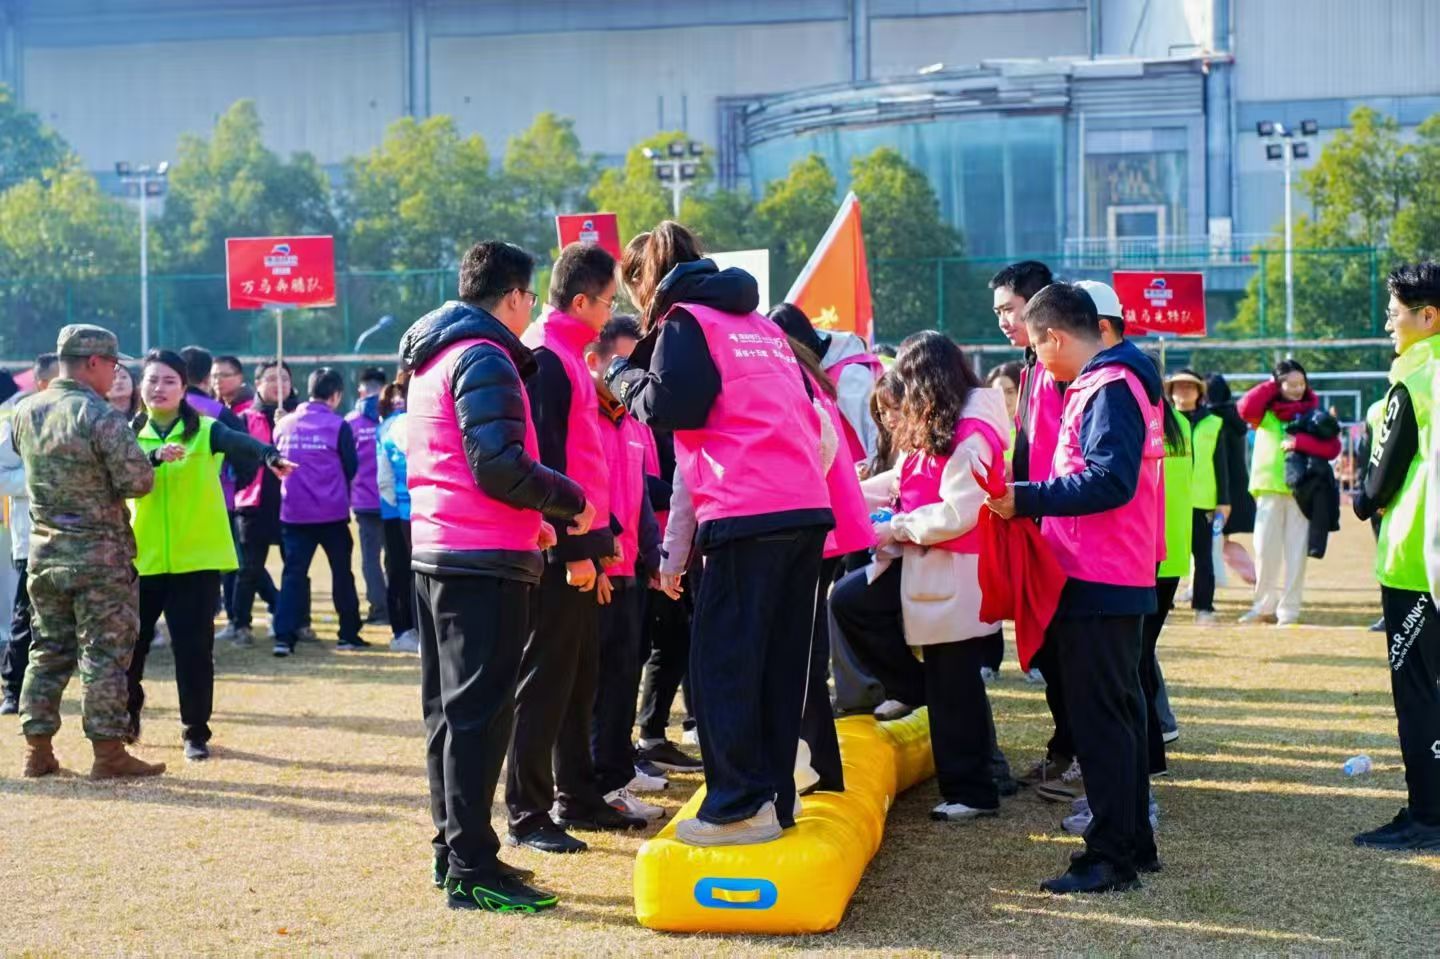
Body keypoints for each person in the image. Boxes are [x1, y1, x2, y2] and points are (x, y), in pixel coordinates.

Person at [607, 222, 832, 846]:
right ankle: (775, 800)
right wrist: (677, 553)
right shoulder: (761, 328)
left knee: (723, 667)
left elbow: (674, 407)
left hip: (747, 511)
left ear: (644, 283)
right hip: (801, 511)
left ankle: (736, 806)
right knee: (778, 666)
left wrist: (622, 378)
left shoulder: (684, 322)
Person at [400, 239, 592, 913]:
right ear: (512, 296)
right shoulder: (484, 356)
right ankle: (475, 864)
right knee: (479, 717)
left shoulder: (435, 355)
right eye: (530, 298)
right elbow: (498, 465)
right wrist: (569, 499)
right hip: (478, 561)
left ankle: (454, 850)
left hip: (443, 549)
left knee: (451, 716)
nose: (530, 310)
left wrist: (528, 522)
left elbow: (459, 463)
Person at [985, 282, 1164, 894]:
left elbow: (1109, 480)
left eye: (1037, 347)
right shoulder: (1109, 379)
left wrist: (1026, 499)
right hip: (1108, 571)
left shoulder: (1110, 385)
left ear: (1055, 337)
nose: (1038, 361)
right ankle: (1132, 843)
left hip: (1100, 573)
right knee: (1118, 716)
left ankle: (1109, 857)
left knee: (1104, 723)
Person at [831, 331, 1009, 822]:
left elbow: (961, 512)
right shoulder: (941, 422)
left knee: (957, 686)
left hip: (952, 570)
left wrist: (896, 528)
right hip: (925, 564)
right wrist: (848, 494)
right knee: (850, 603)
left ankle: (973, 790)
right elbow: (904, 480)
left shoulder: (970, 432)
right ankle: (913, 690)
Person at [507, 241, 643, 852]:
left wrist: (600, 545)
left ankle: (577, 796)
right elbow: (548, 461)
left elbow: (587, 461)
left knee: (580, 677)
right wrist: (573, 549)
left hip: (584, 543)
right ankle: (529, 811)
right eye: (609, 301)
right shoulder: (547, 356)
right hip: (559, 551)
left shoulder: (568, 353)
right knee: (545, 681)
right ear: (583, 300)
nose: (611, 311)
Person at [124, 349, 294, 761]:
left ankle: (194, 732)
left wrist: (269, 456)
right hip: (139, 559)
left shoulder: (205, 430)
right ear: (139, 387)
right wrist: (152, 458)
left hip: (196, 559)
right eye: (151, 380)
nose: (158, 388)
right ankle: (126, 718)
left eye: (168, 381)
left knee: (194, 649)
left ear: (185, 388)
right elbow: (115, 476)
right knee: (131, 647)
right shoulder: (124, 434)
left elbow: (244, 444)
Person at [12, 324, 163, 780]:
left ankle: (38, 751)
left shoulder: (25, 411)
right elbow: (139, 481)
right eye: (114, 365)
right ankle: (108, 754)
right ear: (94, 362)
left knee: (48, 650)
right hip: (100, 558)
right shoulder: (98, 416)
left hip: (44, 555)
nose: (115, 375)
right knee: (104, 653)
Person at [1351, 262, 1440, 852]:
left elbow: (1380, 478)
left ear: (1428, 316)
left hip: (1417, 557)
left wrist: (1362, 499)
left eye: (1396, 311)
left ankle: (1427, 815)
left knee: (1420, 693)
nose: (1388, 321)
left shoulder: (1416, 376)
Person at [585, 319, 666, 821]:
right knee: (600, 683)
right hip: (596, 569)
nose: (627, 376)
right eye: (620, 365)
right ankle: (600, 780)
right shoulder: (584, 420)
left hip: (632, 568)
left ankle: (618, 769)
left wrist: (653, 559)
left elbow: (638, 501)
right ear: (594, 361)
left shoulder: (632, 422)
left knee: (622, 676)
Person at [991, 261, 1070, 769]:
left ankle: (1084, 755)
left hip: (1065, 526)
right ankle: (1067, 749)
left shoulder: (1068, 371)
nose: (1002, 319)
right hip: (1040, 521)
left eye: (1008, 309)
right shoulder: (1031, 366)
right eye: (997, 311)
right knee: (1055, 653)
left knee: (1077, 658)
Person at [1236, 359, 1339, 626]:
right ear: (1277, 384)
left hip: (1302, 491)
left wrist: (1299, 442)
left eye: (1301, 384)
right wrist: (1272, 384)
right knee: (1264, 550)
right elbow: (1245, 407)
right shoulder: (1264, 413)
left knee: (1296, 552)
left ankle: (1289, 610)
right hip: (1267, 488)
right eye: (1289, 383)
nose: (1296, 389)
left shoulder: (1314, 413)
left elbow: (1332, 448)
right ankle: (1263, 606)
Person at [271, 367, 366, 656]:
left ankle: (284, 638)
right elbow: (351, 466)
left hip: (294, 513)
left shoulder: (283, 424)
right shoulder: (339, 426)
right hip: (332, 514)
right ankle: (348, 634)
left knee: (293, 575)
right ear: (336, 395)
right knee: (341, 573)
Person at [179, 346, 253, 643]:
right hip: (216, 500)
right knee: (221, 564)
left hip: (170, 503)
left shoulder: (157, 409)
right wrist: (237, 484)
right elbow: (246, 452)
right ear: (207, 376)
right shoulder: (218, 412)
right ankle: (229, 620)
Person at [0, 353, 59, 716]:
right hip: (32, 539)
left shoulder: (89, 418)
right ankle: (12, 690)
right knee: (25, 617)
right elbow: (2, 477)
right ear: (40, 384)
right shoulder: (19, 422)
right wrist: (43, 481)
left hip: (81, 539)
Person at [229, 361, 292, 647]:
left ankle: (295, 622)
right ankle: (240, 624)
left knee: (294, 566)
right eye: (271, 378)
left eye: (284, 378)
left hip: (291, 502)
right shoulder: (243, 419)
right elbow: (237, 459)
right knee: (249, 568)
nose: (278, 384)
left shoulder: (297, 416)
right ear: (257, 383)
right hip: (254, 504)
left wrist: (285, 426)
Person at [1167, 370, 1229, 625]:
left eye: (1190, 387)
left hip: (1202, 499)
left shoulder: (1214, 423)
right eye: (1178, 387)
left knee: (1203, 556)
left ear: (1200, 392)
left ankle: (1204, 606)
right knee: (1165, 556)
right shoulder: (1163, 420)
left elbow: (1221, 465)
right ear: (1170, 392)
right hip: (1168, 499)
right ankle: (1164, 604)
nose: (1184, 391)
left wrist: (1224, 500)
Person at [376, 378, 418, 653]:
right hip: (410, 511)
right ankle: (408, 630)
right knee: (411, 574)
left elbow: (384, 477)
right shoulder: (402, 424)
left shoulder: (386, 427)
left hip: (396, 510)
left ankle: (403, 630)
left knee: (400, 572)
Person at [350, 367, 390, 626]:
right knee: (398, 559)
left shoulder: (351, 422)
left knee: (371, 560)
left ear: (360, 390)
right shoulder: (395, 417)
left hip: (364, 502)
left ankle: (379, 611)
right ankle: (401, 609)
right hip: (395, 501)